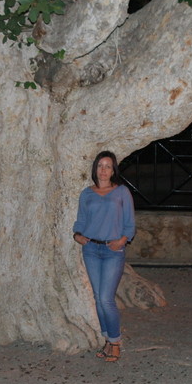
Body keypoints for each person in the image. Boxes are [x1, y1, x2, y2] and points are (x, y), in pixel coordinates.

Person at [72, 150, 135, 363]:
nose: (104, 170)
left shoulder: (122, 192)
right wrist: (77, 235)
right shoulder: (86, 194)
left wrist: (123, 240)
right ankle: (107, 340)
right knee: (98, 299)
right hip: (91, 249)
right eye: (100, 165)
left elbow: (130, 224)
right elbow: (80, 221)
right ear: (95, 169)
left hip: (112, 251)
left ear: (113, 170)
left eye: (108, 166)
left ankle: (115, 342)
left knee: (107, 298)